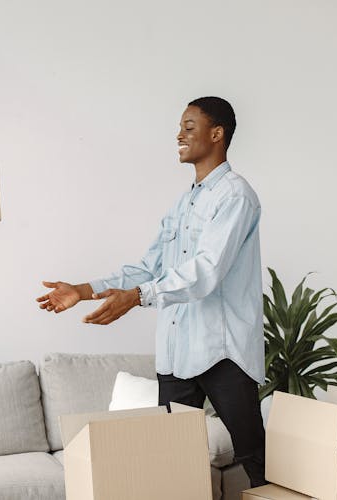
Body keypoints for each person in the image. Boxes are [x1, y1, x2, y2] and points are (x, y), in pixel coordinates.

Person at [36, 96, 266, 487]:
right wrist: (85, 289)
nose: (179, 135)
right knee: (173, 467)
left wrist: (138, 297)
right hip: (177, 353)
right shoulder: (183, 203)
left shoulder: (235, 196)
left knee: (256, 459)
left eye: (189, 127)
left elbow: (205, 271)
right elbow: (148, 267)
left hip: (222, 351)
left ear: (217, 134)